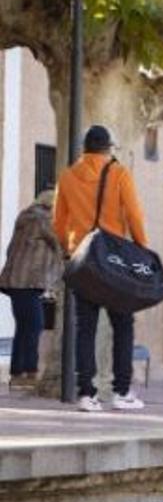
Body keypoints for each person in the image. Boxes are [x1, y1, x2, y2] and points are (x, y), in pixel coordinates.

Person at [52, 125, 148, 412]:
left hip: (82, 260)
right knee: (122, 324)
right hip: (114, 260)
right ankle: (120, 392)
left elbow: (58, 222)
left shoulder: (68, 177)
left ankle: (86, 394)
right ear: (108, 148)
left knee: (86, 327)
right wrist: (142, 249)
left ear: (84, 148)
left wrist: (68, 248)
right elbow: (134, 215)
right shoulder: (119, 174)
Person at [0, 190, 63, 388]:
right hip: (28, 281)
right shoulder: (42, 219)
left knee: (24, 327)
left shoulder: (26, 216)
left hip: (17, 280)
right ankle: (29, 372)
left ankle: (18, 373)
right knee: (35, 325)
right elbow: (59, 243)